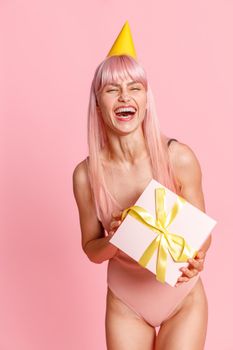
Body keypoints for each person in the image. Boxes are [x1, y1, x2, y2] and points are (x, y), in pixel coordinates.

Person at [73, 22, 211, 350]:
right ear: (98, 103)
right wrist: (117, 242)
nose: (125, 96)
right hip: (126, 304)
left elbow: (202, 234)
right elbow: (91, 248)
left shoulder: (177, 157)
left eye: (135, 87)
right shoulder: (85, 175)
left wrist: (198, 256)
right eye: (112, 89)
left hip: (182, 300)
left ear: (146, 100)